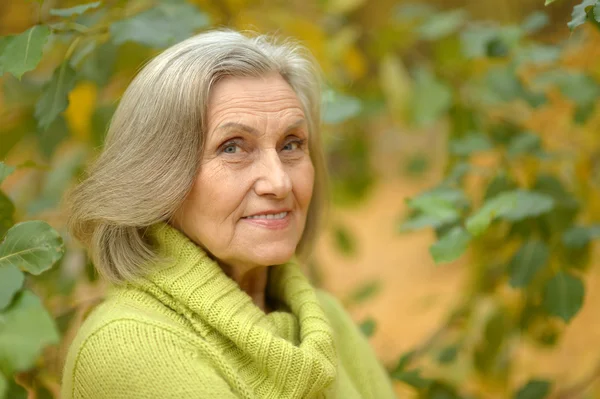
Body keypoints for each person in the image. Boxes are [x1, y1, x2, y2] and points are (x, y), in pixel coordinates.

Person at [61, 29, 397, 399]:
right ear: (157, 175)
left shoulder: (326, 321)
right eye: (233, 147)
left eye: (291, 144)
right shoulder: (128, 345)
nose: (279, 182)